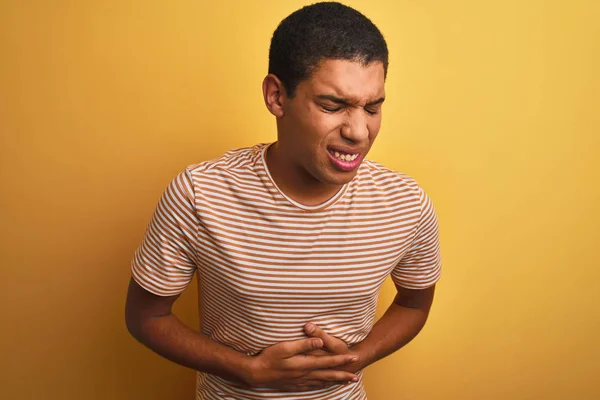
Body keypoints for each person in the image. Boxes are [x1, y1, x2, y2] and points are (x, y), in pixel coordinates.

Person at [125, 2, 442, 399]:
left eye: (372, 107)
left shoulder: (406, 205)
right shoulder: (199, 193)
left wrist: (357, 357)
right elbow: (145, 316)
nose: (359, 131)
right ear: (277, 97)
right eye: (332, 105)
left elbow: (414, 304)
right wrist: (247, 370)